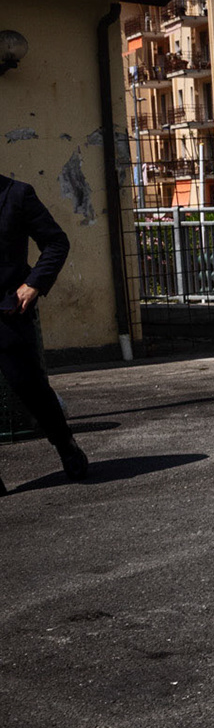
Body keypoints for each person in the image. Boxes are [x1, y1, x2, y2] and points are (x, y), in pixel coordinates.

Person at [0, 172, 86, 493]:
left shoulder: (17, 194)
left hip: (8, 315)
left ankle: (66, 446)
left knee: (31, 389)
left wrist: (32, 285)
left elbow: (55, 241)